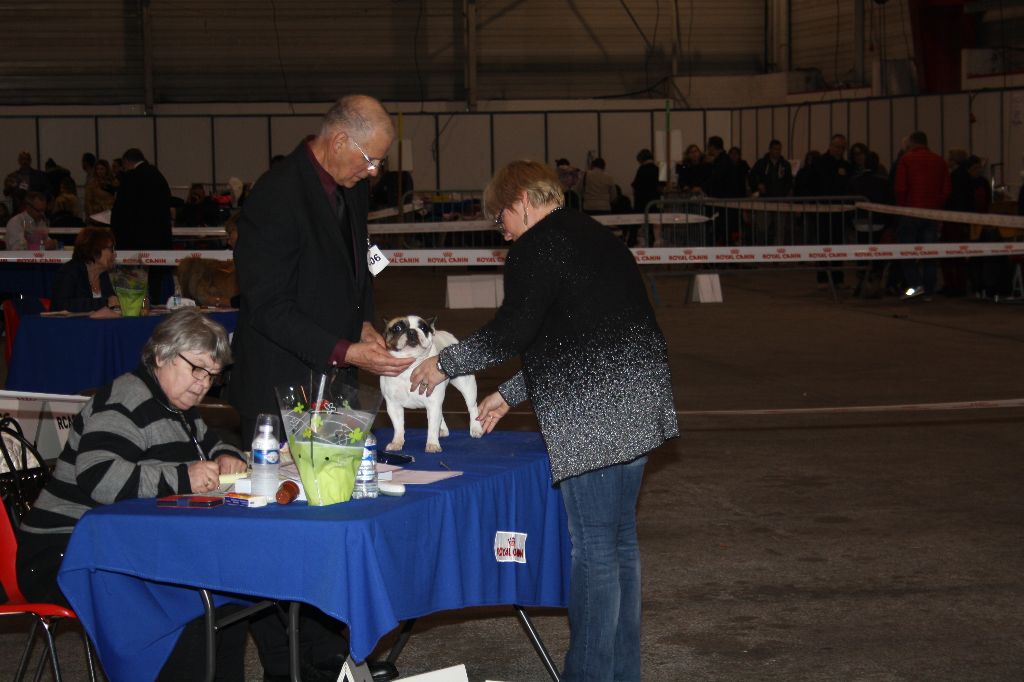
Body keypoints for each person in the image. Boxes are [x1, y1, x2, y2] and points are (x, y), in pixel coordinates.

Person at [410, 160, 678, 682]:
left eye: (500, 220)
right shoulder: (598, 237)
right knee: (620, 543)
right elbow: (570, 332)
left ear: (521, 202)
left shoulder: (535, 247)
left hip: (595, 411)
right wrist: (510, 394)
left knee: (595, 552)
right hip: (640, 397)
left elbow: (511, 332)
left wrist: (442, 363)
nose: (502, 232)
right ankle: (622, 674)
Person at [15, 310, 253, 680]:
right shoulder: (125, 399)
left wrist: (228, 457)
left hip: (120, 545)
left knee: (228, 601)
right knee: (187, 614)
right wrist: (183, 476)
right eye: (196, 369)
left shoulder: (180, 409)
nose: (203, 384)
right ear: (161, 355)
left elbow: (216, 443)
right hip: (64, 552)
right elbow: (99, 476)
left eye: (212, 375)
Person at [231, 94, 412, 444]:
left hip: (336, 386)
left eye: (380, 162)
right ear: (340, 140)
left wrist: (363, 323)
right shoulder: (275, 196)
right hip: (279, 390)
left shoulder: (352, 184)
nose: (373, 171)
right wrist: (345, 351)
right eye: (370, 159)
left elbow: (357, 265)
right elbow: (267, 307)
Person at [110, 147, 173, 303]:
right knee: (155, 285)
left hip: (134, 244)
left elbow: (121, 213)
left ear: (126, 162)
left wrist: (116, 234)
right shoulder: (159, 176)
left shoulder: (130, 178)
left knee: (133, 286)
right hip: (159, 243)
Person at [893, 130, 951, 299]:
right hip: (931, 213)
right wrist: (937, 206)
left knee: (907, 252)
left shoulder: (906, 159)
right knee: (929, 254)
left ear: (911, 143)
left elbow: (900, 188)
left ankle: (915, 286)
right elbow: (946, 190)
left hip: (910, 211)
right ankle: (929, 291)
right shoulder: (939, 161)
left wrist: (901, 208)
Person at [50, 227, 119, 312]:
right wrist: (104, 302)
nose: (114, 254)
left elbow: (113, 303)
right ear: (95, 250)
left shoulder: (103, 275)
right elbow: (61, 305)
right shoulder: (69, 271)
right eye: (111, 249)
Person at [749, 139, 794, 244]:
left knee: (780, 231)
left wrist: (787, 194)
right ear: (770, 150)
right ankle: (762, 253)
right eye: (775, 149)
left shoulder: (785, 165)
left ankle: (778, 255)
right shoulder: (761, 163)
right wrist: (758, 185)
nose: (777, 151)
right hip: (764, 200)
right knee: (761, 229)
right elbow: (751, 177)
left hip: (780, 201)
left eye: (779, 149)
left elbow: (789, 182)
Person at [629, 148, 661, 247]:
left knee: (635, 222)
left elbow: (635, 185)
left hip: (641, 201)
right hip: (654, 200)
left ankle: (631, 241)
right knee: (652, 224)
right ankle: (651, 243)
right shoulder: (657, 168)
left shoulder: (642, 169)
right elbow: (662, 185)